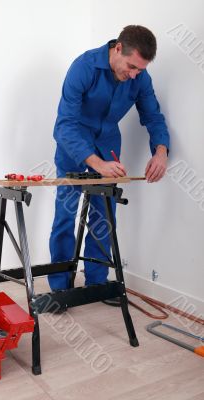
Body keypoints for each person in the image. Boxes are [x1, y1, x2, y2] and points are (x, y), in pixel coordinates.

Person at [48, 25, 170, 294]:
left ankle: (97, 283)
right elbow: (64, 125)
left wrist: (160, 151)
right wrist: (96, 163)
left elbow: (153, 116)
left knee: (104, 216)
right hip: (74, 145)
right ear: (117, 49)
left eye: (140, 69)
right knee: (66, 214)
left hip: (108, 145)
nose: (135, 74)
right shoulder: (82, 67)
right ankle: (60, 286)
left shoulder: (140, 77)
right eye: (131, 66)